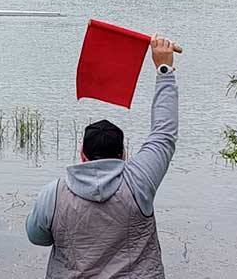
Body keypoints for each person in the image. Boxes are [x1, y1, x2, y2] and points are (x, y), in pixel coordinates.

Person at [25, 36, 179, 278]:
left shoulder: (53, 194)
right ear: (123, 154)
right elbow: (164, 132)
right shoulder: (139, 181)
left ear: (82, 154)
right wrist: (164, 70)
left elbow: (36, 237)